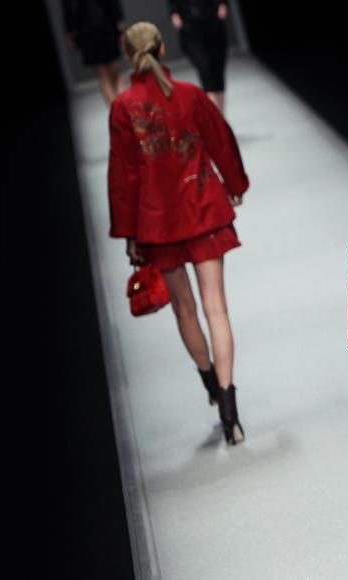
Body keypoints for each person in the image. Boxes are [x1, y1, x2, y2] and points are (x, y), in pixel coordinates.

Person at [108, 22, 249, 444]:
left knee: (185, 311)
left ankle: (208, 382)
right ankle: (229, 406)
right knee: (216, 308)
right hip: (201, 207)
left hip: (157, 222)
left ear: (126, 54)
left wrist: (131, 233)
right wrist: (236, 185)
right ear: (163, 48)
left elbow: (124, 177)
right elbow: (221, 140)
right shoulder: (188, 95)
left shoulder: (123, 106)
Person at [168, 0, 231, 112]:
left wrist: (223, 4)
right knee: (205, 68)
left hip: (214, 24)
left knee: (217, 71)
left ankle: (220, 116)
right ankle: (217, 116)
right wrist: (173, 13)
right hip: (190, 29)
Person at [61, 0, 126, 105]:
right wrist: (119, 19)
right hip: (106, 21)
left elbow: (68, 6)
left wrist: (69, 32)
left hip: (86, 26)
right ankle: (126, 113)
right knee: (115, 71)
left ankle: (118, 117)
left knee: (104, 75)